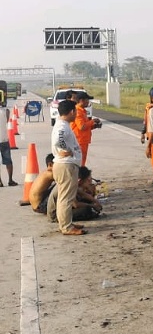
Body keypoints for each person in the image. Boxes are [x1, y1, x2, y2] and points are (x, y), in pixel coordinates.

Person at [50, 100, 85, 235]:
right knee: (66, 198)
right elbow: (59, 140)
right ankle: (67, 227)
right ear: (71, 112)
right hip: (66, 165)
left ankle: (66, 223)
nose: (76, 114)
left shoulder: (62, 124)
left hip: (64, 164)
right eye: (75, 111)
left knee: (64, 196)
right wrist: (66, 149)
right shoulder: (62, 127)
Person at [71, 91, 101, 167]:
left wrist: (94, 126)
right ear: (81, 100)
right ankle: (80, 176)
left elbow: (85, 127)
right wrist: (93, 121)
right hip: (79, 141)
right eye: (87, 100)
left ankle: (80, 175)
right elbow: (82, 126)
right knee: (80, 161)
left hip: (83, 140)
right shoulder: (78, 112)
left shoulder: (82, 111)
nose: (88, 102)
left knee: (82, 161)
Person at [0, 101, 16, 186]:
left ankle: (0, 181)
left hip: (3, 140)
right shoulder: (5, 111)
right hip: (4, 140)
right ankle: (10, 180)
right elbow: (7, 118)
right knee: (8, 161)